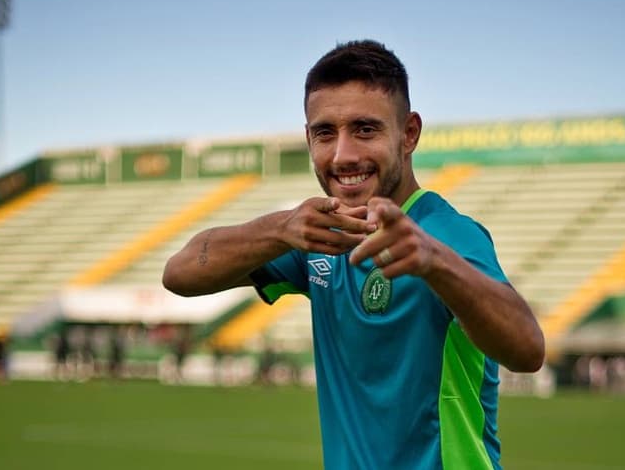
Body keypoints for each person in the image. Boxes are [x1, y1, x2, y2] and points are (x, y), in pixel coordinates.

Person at [163, 40, 545, 469]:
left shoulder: (449, 234)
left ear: (409, 133)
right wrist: (281, 228)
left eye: (365, 129)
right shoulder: (317, 235)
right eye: (325, 133)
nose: (343, 155)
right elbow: (180, 273)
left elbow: (528, 350)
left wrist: (435, 263)